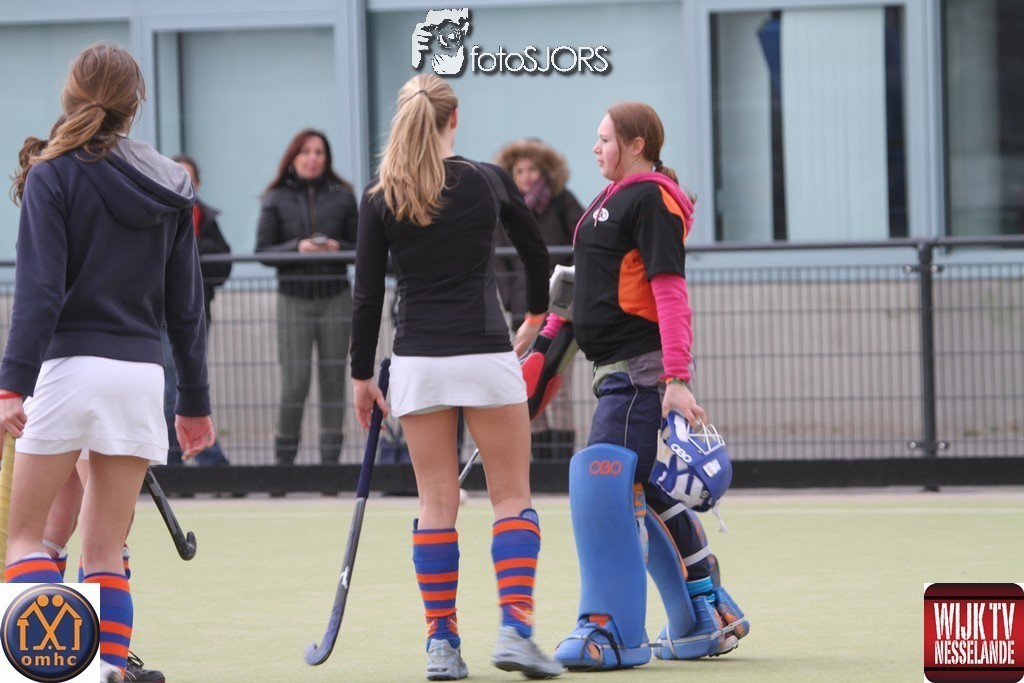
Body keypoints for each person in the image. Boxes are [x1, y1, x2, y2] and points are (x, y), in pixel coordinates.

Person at [0, 42, 215, 683]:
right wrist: (195, 402)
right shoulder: (172, 183)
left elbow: (39, 293)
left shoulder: (52, 173)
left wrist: (11, 386)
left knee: (24, 536)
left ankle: (39, 673)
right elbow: (187, 306)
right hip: (141, 378)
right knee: (104, 552)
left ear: (70, 95)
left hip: (68, 371)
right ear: (134, 106)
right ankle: (108, 670)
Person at [349, 73, 563, 680]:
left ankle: (442, 644)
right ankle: (516, 630)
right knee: (511, 497)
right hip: (485, 354)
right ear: (455, 117)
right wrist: (536, 316)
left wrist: (362, 376)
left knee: (436, 503)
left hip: (418, 363)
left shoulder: (381, 194)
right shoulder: (488, 180)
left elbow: (367, 294)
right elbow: (537, 253)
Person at [550, 102, 749, 669]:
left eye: (605, 138)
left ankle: (612, 630)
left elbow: (670, 291)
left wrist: (677, 378)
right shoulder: (607, 201)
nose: (595, 147)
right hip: (616, 371)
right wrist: (545, 338)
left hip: (640, 372)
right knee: (637, 487)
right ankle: (704, 612)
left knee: (606, 485)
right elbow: (587, 287)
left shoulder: (652, 198)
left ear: (637, 144)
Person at [255, 129, 358, 465]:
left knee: (333, 378)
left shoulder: (343, 196)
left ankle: (330, 466)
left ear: (327, 159)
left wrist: (338, 248)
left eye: (319, 152)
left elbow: (361, 247)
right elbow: (263, 251)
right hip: (294, 299)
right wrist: (296, 248)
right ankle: (284, 465)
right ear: (293, 158)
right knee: (295, 381)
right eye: (305, 152)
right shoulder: (276, 197)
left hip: (335, 297)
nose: (312, 158)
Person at [494, 138, 584, 461]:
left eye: (532, 169)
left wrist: (569, 286)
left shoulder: (562, 202)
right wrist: (510, 299)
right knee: (526, 384)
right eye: (519, 170)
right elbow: (499, 260)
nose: (526, 176)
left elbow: (583, 241)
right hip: (522, 312)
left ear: (545, 171)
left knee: (559, 386)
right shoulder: (507, 208)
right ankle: (541, 460)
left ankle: (562, 459)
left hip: (560, 311)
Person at [162, 154, 232, 467]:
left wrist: (190, 248)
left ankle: (194, 461)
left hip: (195, 314)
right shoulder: (155, 212)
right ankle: (187, 462)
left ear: (198, 184)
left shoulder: (206, 219)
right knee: (172, 389)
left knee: (189, 386)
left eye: (187, 176)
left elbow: (223, 264)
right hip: (160, 317)